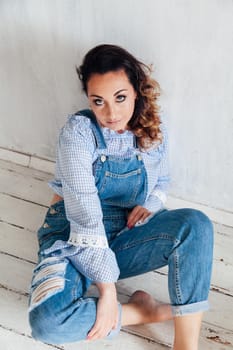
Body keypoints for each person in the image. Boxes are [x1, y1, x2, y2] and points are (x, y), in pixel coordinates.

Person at [28, 44, 213, 350]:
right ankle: (140, 312)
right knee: (47, 322)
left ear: (136, 91)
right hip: (75, 234)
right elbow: (85, 215)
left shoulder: (153, 128)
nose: (111, 113)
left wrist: (150, 205)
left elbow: (162, 181)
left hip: (127, 232)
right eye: (98, 101)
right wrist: (109, 292)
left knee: (198, 225)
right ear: (88, 98)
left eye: (120, 98)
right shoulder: (78, 133)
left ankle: (185, 345)